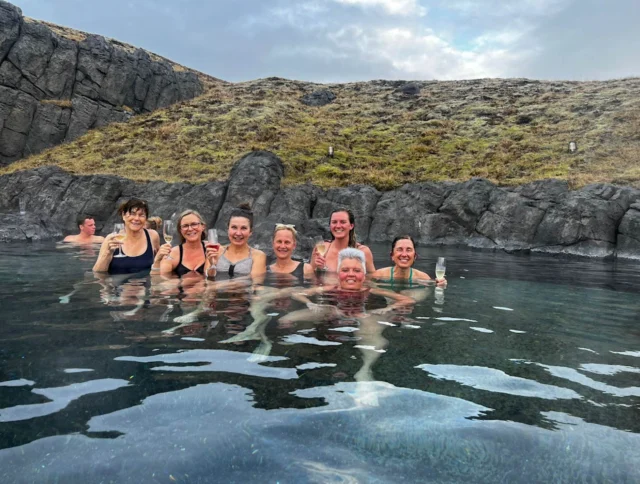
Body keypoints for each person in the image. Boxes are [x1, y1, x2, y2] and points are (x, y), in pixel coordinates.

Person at [93, 198, 160, 274]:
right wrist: (107, 254)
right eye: (132, 214)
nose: (136, 218)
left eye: (141, 215)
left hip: (145, 284)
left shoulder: (153, 236)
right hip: (118, 284)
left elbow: (159, 265)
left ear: (146, 218)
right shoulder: (112, 239)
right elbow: (97, 273)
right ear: (123, 215)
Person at [204, 203, 267, 279]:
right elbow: (208, 281)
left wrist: (220, 285)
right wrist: (212, 265)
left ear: (250, 231)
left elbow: (255, 284)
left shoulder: (257, 256)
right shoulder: (216, 251)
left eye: (243, 228)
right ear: (228, 229)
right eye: (234, 227)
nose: (238, 233)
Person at [310, 208, 375, 273]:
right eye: (334, 222)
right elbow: (310, 277)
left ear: (351, 226)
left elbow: (372, 279)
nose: (338, 226)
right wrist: (317, 269)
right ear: (330, 225)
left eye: (343, 222)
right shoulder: (321, 249)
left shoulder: (363, 251)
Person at [371, 235, 446, 285]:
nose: (404, 254)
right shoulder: (378, 275)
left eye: (408, 250)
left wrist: (440, 286)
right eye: (399, 249)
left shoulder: (424, 278)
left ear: (415, 256)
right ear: (392, 255)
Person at [152, 210, 207, 276]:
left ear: (203, 227)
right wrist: (157, 261)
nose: (190, 229)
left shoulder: (213, 249)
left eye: (194, 224)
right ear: (180, 230)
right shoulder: (172, 254)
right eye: (185, 226)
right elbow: (158, 281)